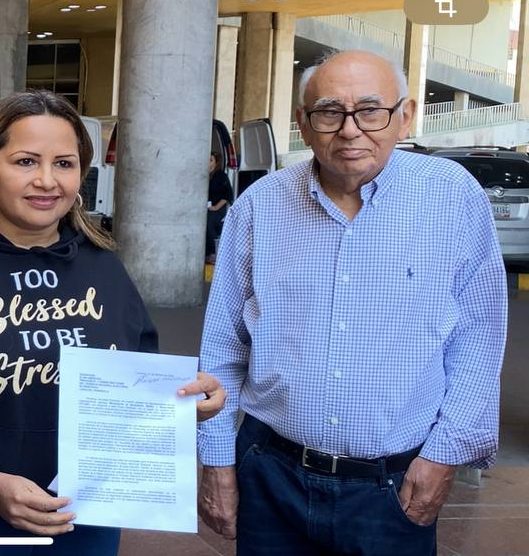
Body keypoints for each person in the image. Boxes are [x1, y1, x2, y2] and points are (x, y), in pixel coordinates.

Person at [198, 50, 507, 556]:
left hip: (394, 487)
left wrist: (444, 456)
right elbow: (223, 346)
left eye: (370, 110)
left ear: (404, 116)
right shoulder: (260, 205)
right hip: (270, 475)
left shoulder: (452, 198)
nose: (349, 130)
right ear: (303, 121)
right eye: (328, 112)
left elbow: (479, 339)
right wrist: (217, 462)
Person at [0, 91, 226, 556]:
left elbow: (130, 383)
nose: (46, 181)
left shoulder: (103, 266)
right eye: (26, 161)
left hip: (80, 512)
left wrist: (184, 401)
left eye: (64, 164)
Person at [205, 151, 232, 264]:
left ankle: (213, 253)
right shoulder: (205, 175)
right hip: (207, 207)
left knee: (208, 221)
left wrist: (216, 207)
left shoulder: (221, 176)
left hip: (218, 208)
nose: (208, 163)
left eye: (211, 160)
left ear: (216, 163)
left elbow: (227, 195)